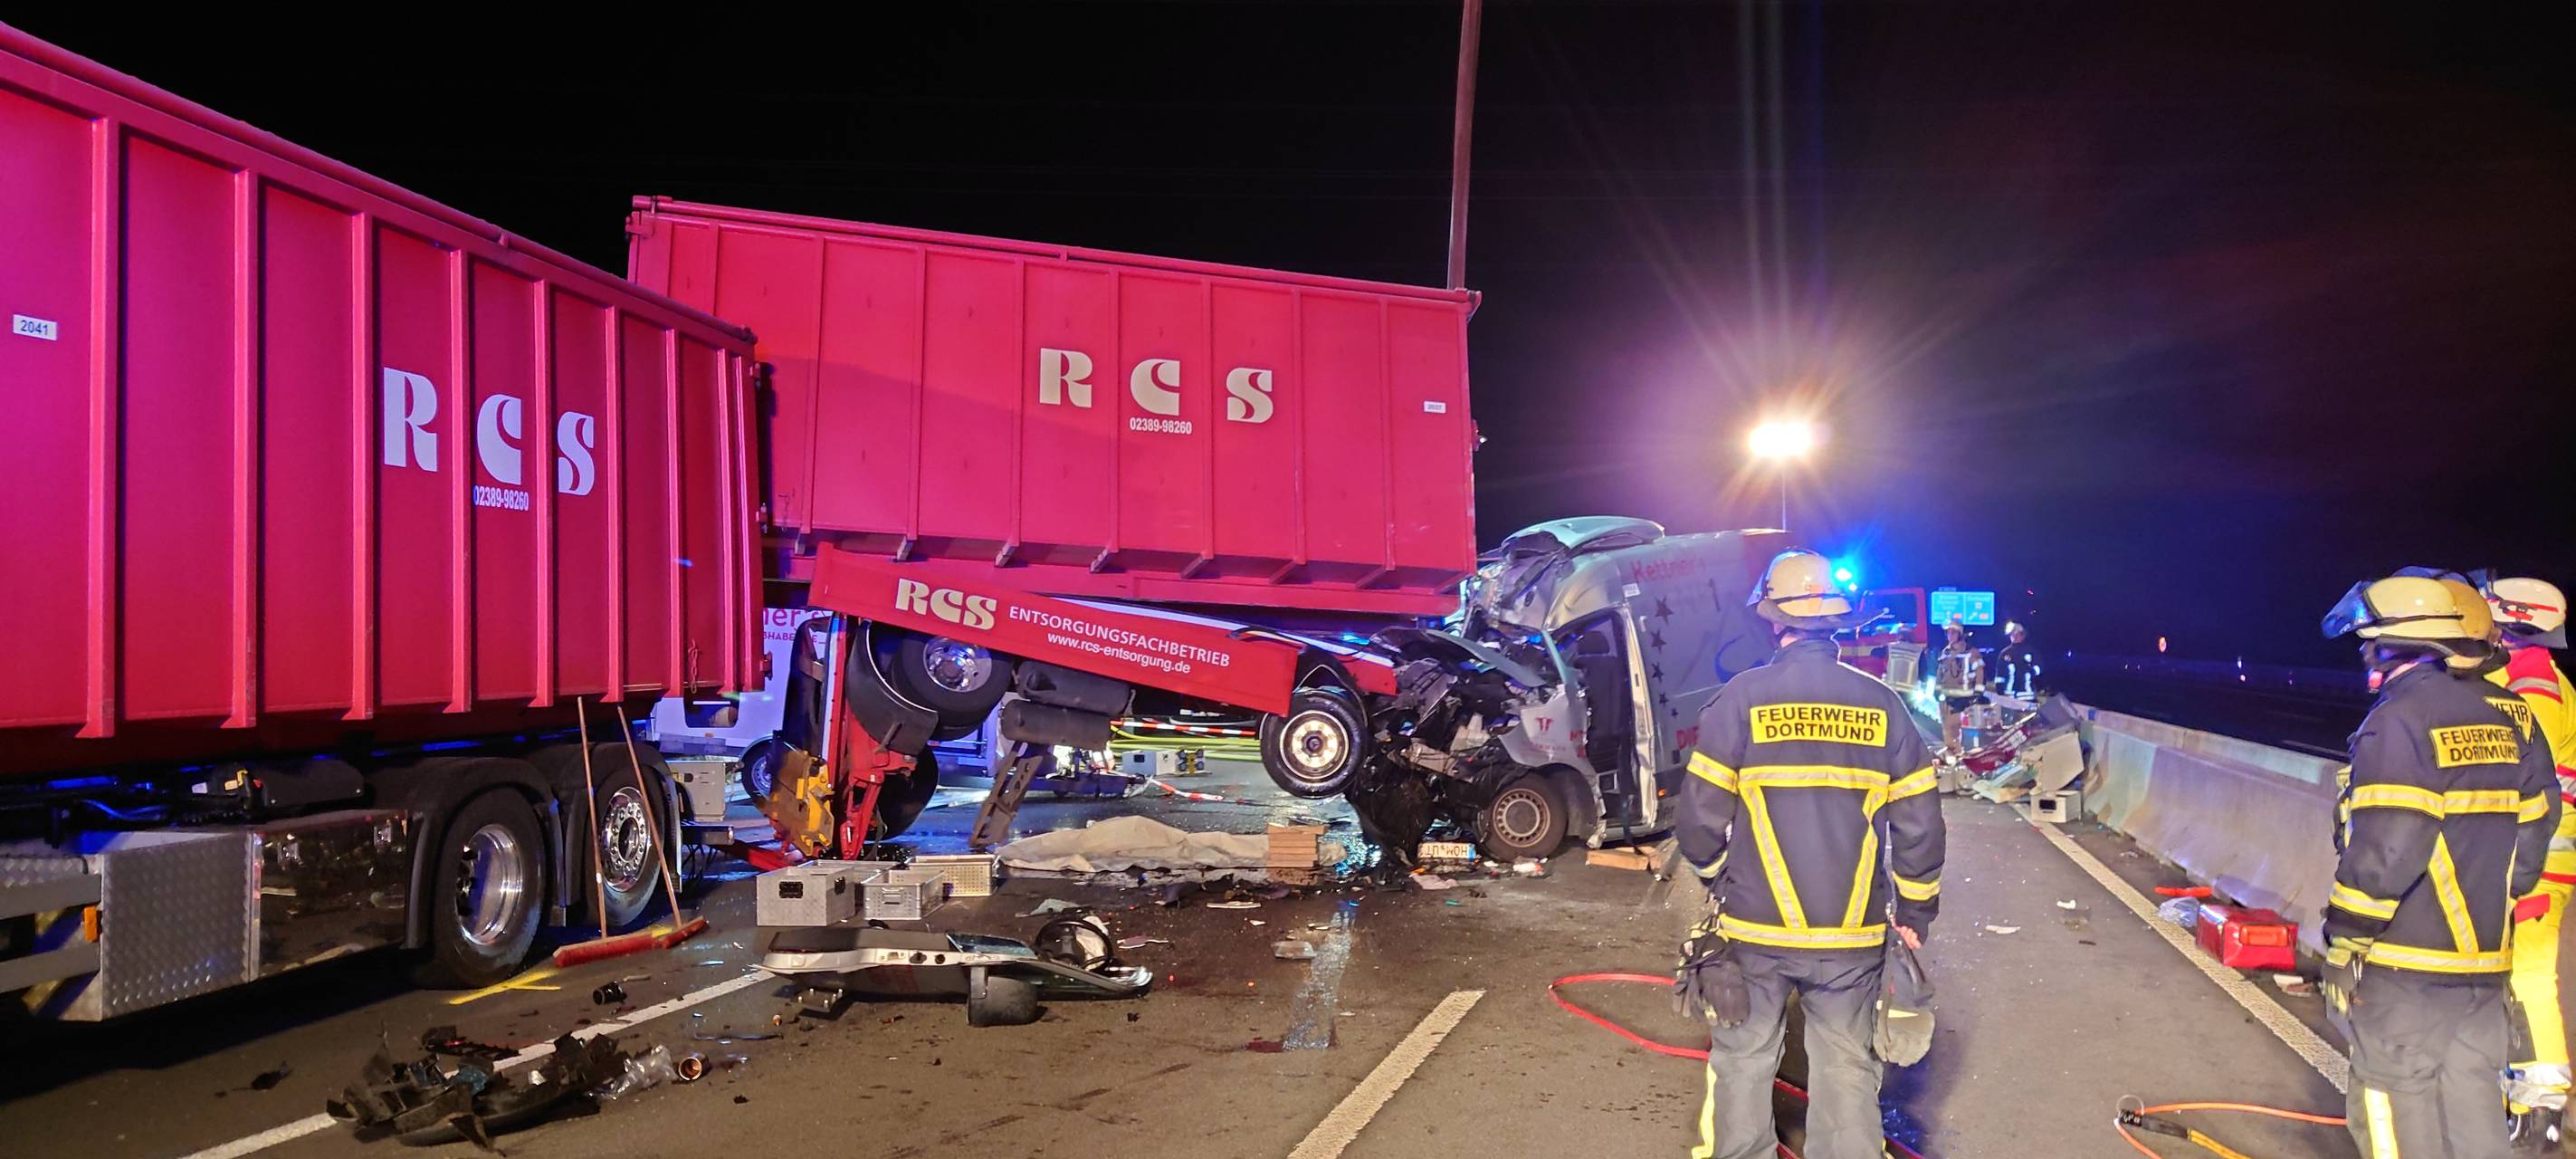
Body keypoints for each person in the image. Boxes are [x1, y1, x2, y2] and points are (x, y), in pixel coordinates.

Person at [1673, 549, 1947, 1159]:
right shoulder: (1886, 709)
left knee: (1742, 1062)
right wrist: (1915, 914)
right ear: (1839, 623)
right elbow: (1922, 829)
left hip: (1754, 933)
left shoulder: (1740, 702)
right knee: (1848, 1069)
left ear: (1774, 620)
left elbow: (1696, 824)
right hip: (1850, 940)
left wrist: (1720, 877)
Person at [2320, 574, 2558, 1159]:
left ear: (2390, 648)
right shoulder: (2516, 717)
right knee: (2473, 1121)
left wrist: (2345, 943)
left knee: (2394, 1122)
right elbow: (2536, 837)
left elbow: (2385, 854)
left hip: (2407, 978)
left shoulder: (2399, 722)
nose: (2366, 660)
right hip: (2483, 976)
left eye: (2368, 646)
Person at [2482, 577, 2576, 1147]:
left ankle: (2542, 1105)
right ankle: (2517, 1095)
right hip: (2531, 852)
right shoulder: (2523, 676)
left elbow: (2518, 771)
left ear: (2516, 619)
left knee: (2529, 977)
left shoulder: (2534, 684)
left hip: (2539, 856)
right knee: (2509, 978)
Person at [1932, 617, 1985, 752]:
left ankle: (1965, 756)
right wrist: (1937, 690)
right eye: (1948, 632)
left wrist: (1978, 692)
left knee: (1966, 733)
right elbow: (1940, 673)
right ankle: (1953, 758)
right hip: (1948, 700)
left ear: (1960, 634)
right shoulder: (1946, 652)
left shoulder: (1971, 652)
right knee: (1948, 731)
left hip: (1966, 700)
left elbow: (1980, 671)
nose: (1950, 635)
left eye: (1953, 632)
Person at [1991, 621, 2041, 702]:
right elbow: (2000, 674)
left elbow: (2039, 669)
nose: (2014, 636)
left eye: (2016, 634)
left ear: (2022, 635)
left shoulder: (2031, 652)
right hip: (2009, 695)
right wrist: (2000, 691)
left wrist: (2028, 668)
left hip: (2027, 695)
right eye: (2012, 634)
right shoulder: (2005, 653)